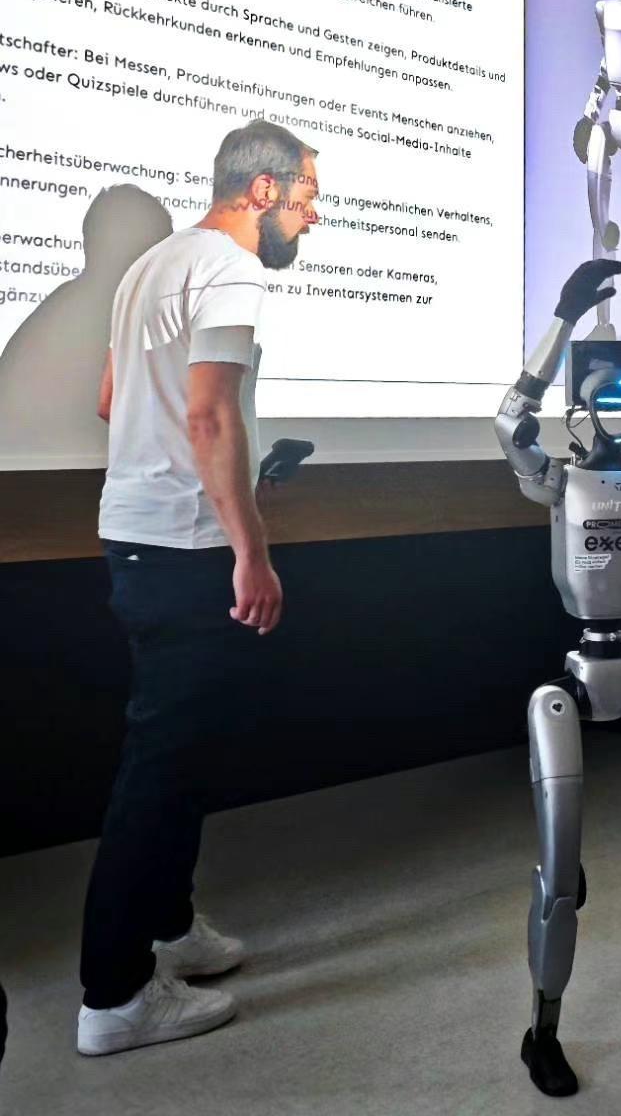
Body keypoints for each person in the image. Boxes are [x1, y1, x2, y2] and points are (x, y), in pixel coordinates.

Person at [76, 120, 319, 1057]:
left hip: (137, 536)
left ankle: (170, 928)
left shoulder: (153, 266)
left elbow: (111, 400)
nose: (313, 216)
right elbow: (210, 412)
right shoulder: (229, 269)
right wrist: (250, 547)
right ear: (262, 192)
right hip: (184, 548)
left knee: (176, 756)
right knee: (159, 770)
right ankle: (114, 996)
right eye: (306, 196)